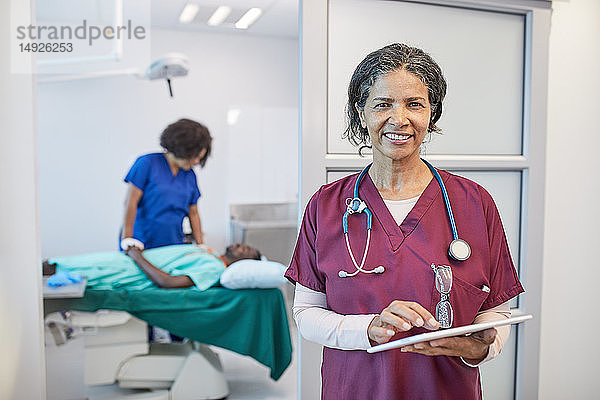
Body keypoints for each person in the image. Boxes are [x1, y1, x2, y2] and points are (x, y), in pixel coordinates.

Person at [285, 43, 524, 399]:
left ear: (432, 113)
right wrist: (368, 328)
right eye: (383, 104)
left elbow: (497, 313)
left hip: (448, 390)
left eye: (414, 104)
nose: (400, 119)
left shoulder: (475, 203)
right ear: (361, 112)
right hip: (355, 390)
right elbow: (306, 314)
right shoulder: (327, 206)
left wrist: (482, 348)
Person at [120, 118, 212, 252]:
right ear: (182, 148)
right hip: (141, 242)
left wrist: (200, 245)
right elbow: (130, 202)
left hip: (173, 244)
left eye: (199, 157)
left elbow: (193, 213)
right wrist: (127, 239)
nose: (196, 161)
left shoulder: (189, 175)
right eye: (194, 156)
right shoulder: (147, 163)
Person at [44, 243, 261, 290]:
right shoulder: (208, 252)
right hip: (124, 259)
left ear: (245, 263)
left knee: (58, 268)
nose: (242, 245)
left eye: (247, 250)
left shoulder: (215, 269)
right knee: (57, 262)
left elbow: (167, 282)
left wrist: (137, 256)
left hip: (127, 270)